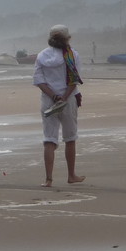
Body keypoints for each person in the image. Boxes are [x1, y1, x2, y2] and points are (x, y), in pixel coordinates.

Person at [33, 25, 85, 186]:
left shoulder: (42, 55)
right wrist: (63, 97)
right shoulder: (72, 54)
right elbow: (74, 79)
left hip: (48, 101)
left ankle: (48, 179)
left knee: (49, 139)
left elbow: (39, 81)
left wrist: (54, 96)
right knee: (70, 138)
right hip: (68, 100)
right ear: (67, 38)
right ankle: (71, 175)